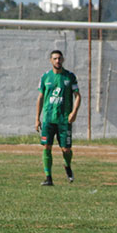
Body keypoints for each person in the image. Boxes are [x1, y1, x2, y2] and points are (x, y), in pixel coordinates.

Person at [35, 50, 81, 186]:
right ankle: (48, 178)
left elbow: (78, 95)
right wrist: (37, 118)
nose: (57, 61)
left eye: (59, 58)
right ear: (50, 60)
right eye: (55, 58)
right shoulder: (45, 77)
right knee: (46, 147)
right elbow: (41, 97)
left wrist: (74, 112)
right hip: (48, 119)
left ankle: (67, 166)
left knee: (66, 149)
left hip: (64, 120)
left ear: (63, 60)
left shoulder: (69, 77)